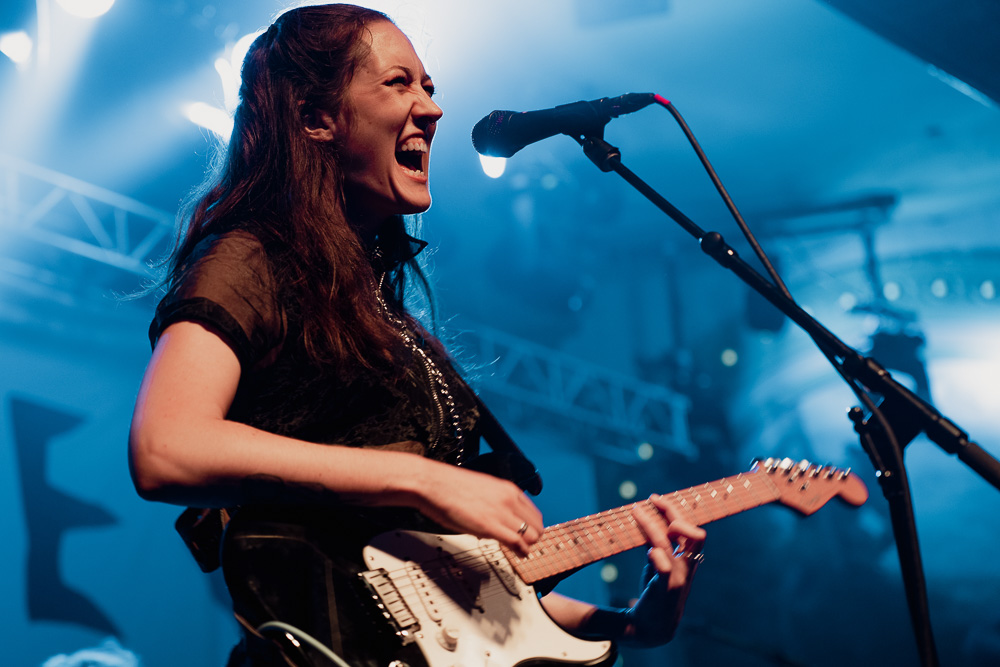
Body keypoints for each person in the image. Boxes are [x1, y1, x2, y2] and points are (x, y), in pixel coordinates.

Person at [128, 5, 706, 666]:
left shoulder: (383, 315)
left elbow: (457, 596)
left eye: (428, 87)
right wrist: (418, 478)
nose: (430, 109)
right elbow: (165, 446)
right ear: (315, 118)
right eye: (398, 83)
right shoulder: (252, 257)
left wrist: (636, 622)